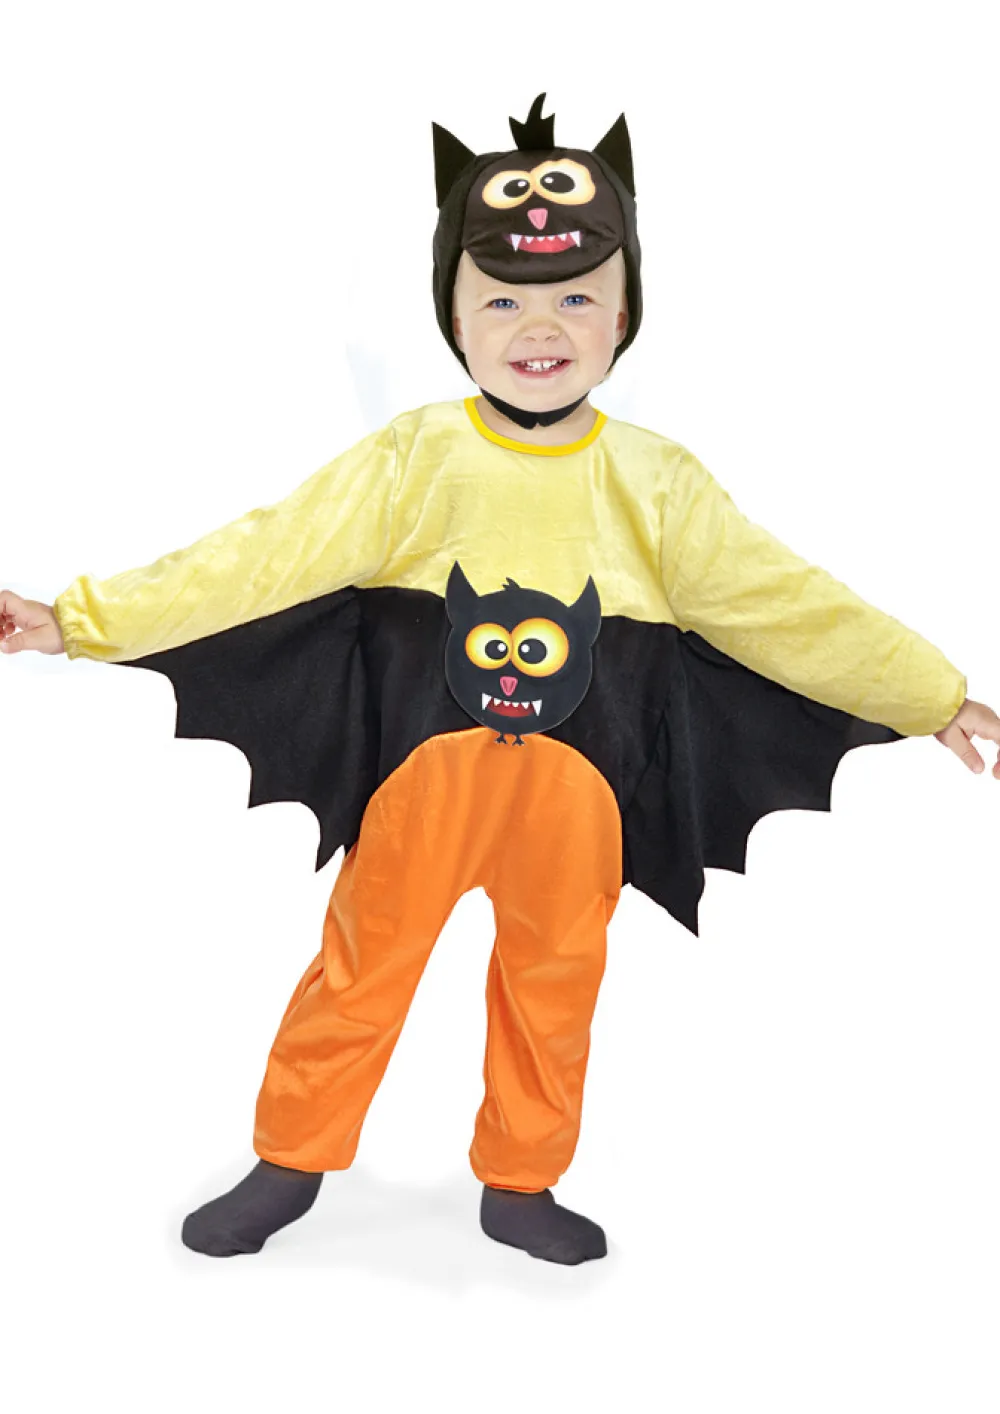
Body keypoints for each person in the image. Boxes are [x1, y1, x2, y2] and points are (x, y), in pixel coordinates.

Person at [2, 94, 998, 1268]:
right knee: (360, 968)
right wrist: (79, 622)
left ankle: (520, 1179)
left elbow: (786, 602)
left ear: (622, 315)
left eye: (576, 297)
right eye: (503, 299)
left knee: (553, 984)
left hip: (579, 802)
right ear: (455, 320)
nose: (541, 326)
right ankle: (291, 1158)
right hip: (420, 788)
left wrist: (927, 693)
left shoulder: (657, 484)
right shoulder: (417, 457)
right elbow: (260, 555)